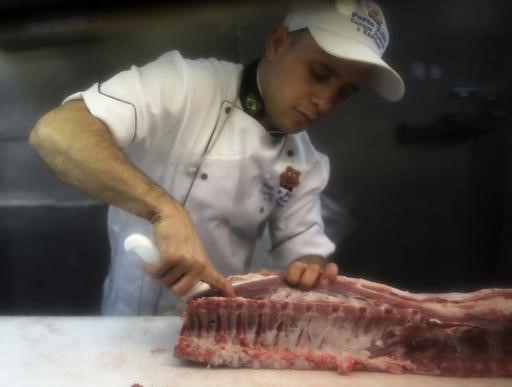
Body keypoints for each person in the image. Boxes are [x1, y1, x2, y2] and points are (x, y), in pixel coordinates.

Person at [29, 0, 404, 315]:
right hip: (125, 325)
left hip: (219, 326)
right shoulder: (185, 84)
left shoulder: (305, 163)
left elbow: (304, 252)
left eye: (344, 92)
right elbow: (56, 133)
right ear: (276, 43)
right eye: (319, 73)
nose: (324, 101)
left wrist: (311, 269)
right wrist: (165, 210)